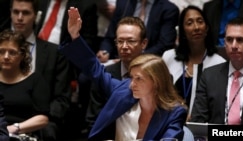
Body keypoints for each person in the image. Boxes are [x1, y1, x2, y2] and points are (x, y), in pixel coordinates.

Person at [60, 7, 188, 141]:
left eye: (139, 79)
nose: (132, 83)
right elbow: (93, 67)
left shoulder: (175, 112)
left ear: (156, 82)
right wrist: (75, 36)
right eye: (132, 77)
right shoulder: (123, 90)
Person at [9, 0, 71, 140]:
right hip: (4, 116)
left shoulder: (55, 53)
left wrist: (38, 120)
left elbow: (62, 100)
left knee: (49, 130)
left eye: (25, 13)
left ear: (36, 16)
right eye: (15, 12)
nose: (19, 17)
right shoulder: (1, 50)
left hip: (39, 121)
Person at [162, 5, 226, 117]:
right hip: (169, 121)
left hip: (202, 125)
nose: (196, 27)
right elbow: (160, 93)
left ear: (206, 28)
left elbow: (219, 104)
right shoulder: (169, 57)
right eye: (189, 23)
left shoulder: (219, 63)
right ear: (182, 30)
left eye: (200, 21)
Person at [86, 16, 147, 132]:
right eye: (120, 41)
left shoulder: (159, 76)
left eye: (131, 41)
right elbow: (92, 120)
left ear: (143, 43)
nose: (124, 46)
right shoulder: (103, 75)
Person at [190, 17, 243, 125]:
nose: (234, 46)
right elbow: (198, 121)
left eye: (240, 40)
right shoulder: (209, 76)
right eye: (229, 39)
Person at [0, 29, 50, 140]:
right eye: (1, 51)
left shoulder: (35, 80)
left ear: (22, 55)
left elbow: (43, 119)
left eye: (12, 52)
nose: (6, 56)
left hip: (22, 134)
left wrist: (14, 127)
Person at [96, 0, 179, 63]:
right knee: (85, 78)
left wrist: (136, 57)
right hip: (118, 58)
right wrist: (105, 51)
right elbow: (111, 35)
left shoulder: (168, 9)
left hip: (149, 61)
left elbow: (164, 44)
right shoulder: (124, 3)